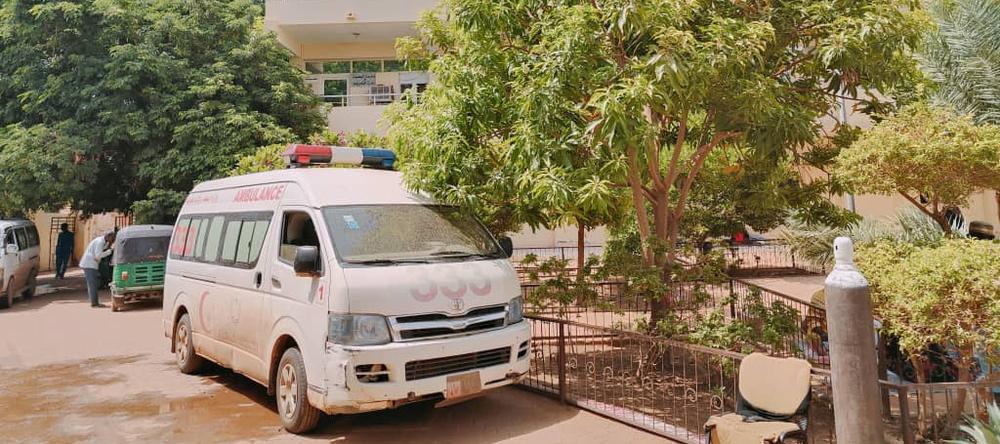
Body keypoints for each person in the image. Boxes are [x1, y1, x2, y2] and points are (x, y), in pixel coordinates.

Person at [80, 231, 115, 308]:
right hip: (89, 265)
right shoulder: (100, 242)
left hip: (91, 264)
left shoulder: (101, 241)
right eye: (112, 238)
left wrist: (108, 247)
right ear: (108, 236)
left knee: (93, 284)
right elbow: (98, 256)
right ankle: (94, 303)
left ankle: (95, 302)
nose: (112, 240)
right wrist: (109, 251)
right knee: (92, 285)